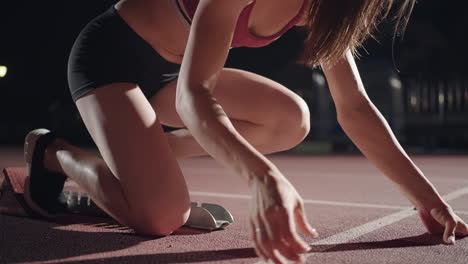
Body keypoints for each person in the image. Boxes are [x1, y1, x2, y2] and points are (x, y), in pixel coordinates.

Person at [23, 0, 468, 263]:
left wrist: (426, 198)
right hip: (109, 60)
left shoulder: (324, 9)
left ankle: (136, 159)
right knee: (159, 218)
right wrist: (264, 176)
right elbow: (194, 97)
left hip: (173, 72)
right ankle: (54, 152)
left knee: (291, 118)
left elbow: (354, 106)